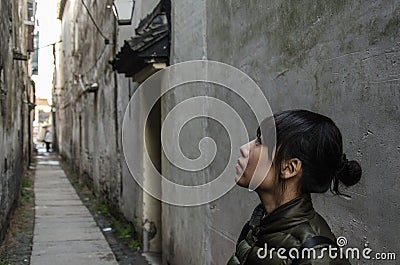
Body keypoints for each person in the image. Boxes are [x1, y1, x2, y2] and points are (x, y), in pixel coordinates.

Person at [228, 109, 362, 265]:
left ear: (289, 168)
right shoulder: (259, 225)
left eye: (260, 142)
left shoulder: (316, 257)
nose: (244, 148)